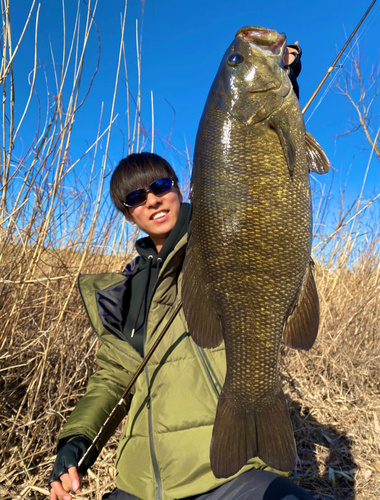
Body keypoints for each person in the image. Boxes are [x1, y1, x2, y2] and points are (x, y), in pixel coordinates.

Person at [49, 46, 311, 500]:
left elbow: (256, 186)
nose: (151, 199)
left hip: (225, 474)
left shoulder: (216, 239)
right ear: (128, 215)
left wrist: (280, 84)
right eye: (135, 198)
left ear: (180, 187)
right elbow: (113, 374)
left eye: (161, 186)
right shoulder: (122, 291)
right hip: (138, 485)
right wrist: (72, 444)